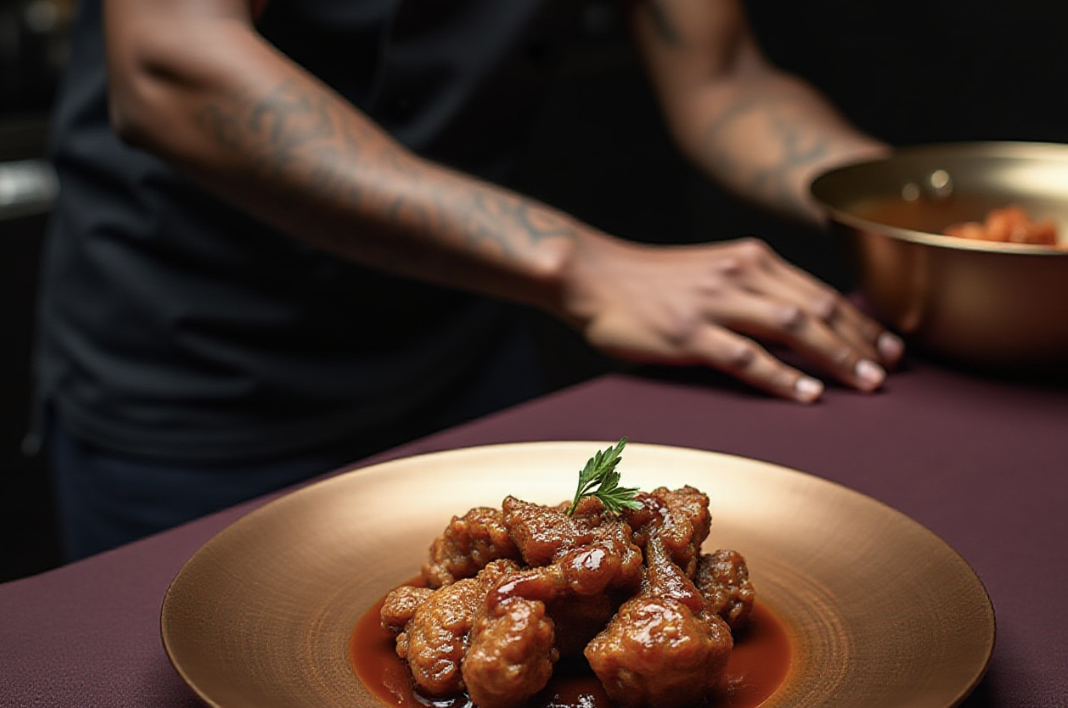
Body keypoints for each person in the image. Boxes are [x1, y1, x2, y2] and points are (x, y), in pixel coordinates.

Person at [31, 0, 902, 561]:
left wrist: (932, 214)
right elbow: (170, 60)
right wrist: (587, 266)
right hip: (200, 370)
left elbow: (723, 77)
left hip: (462, 342)